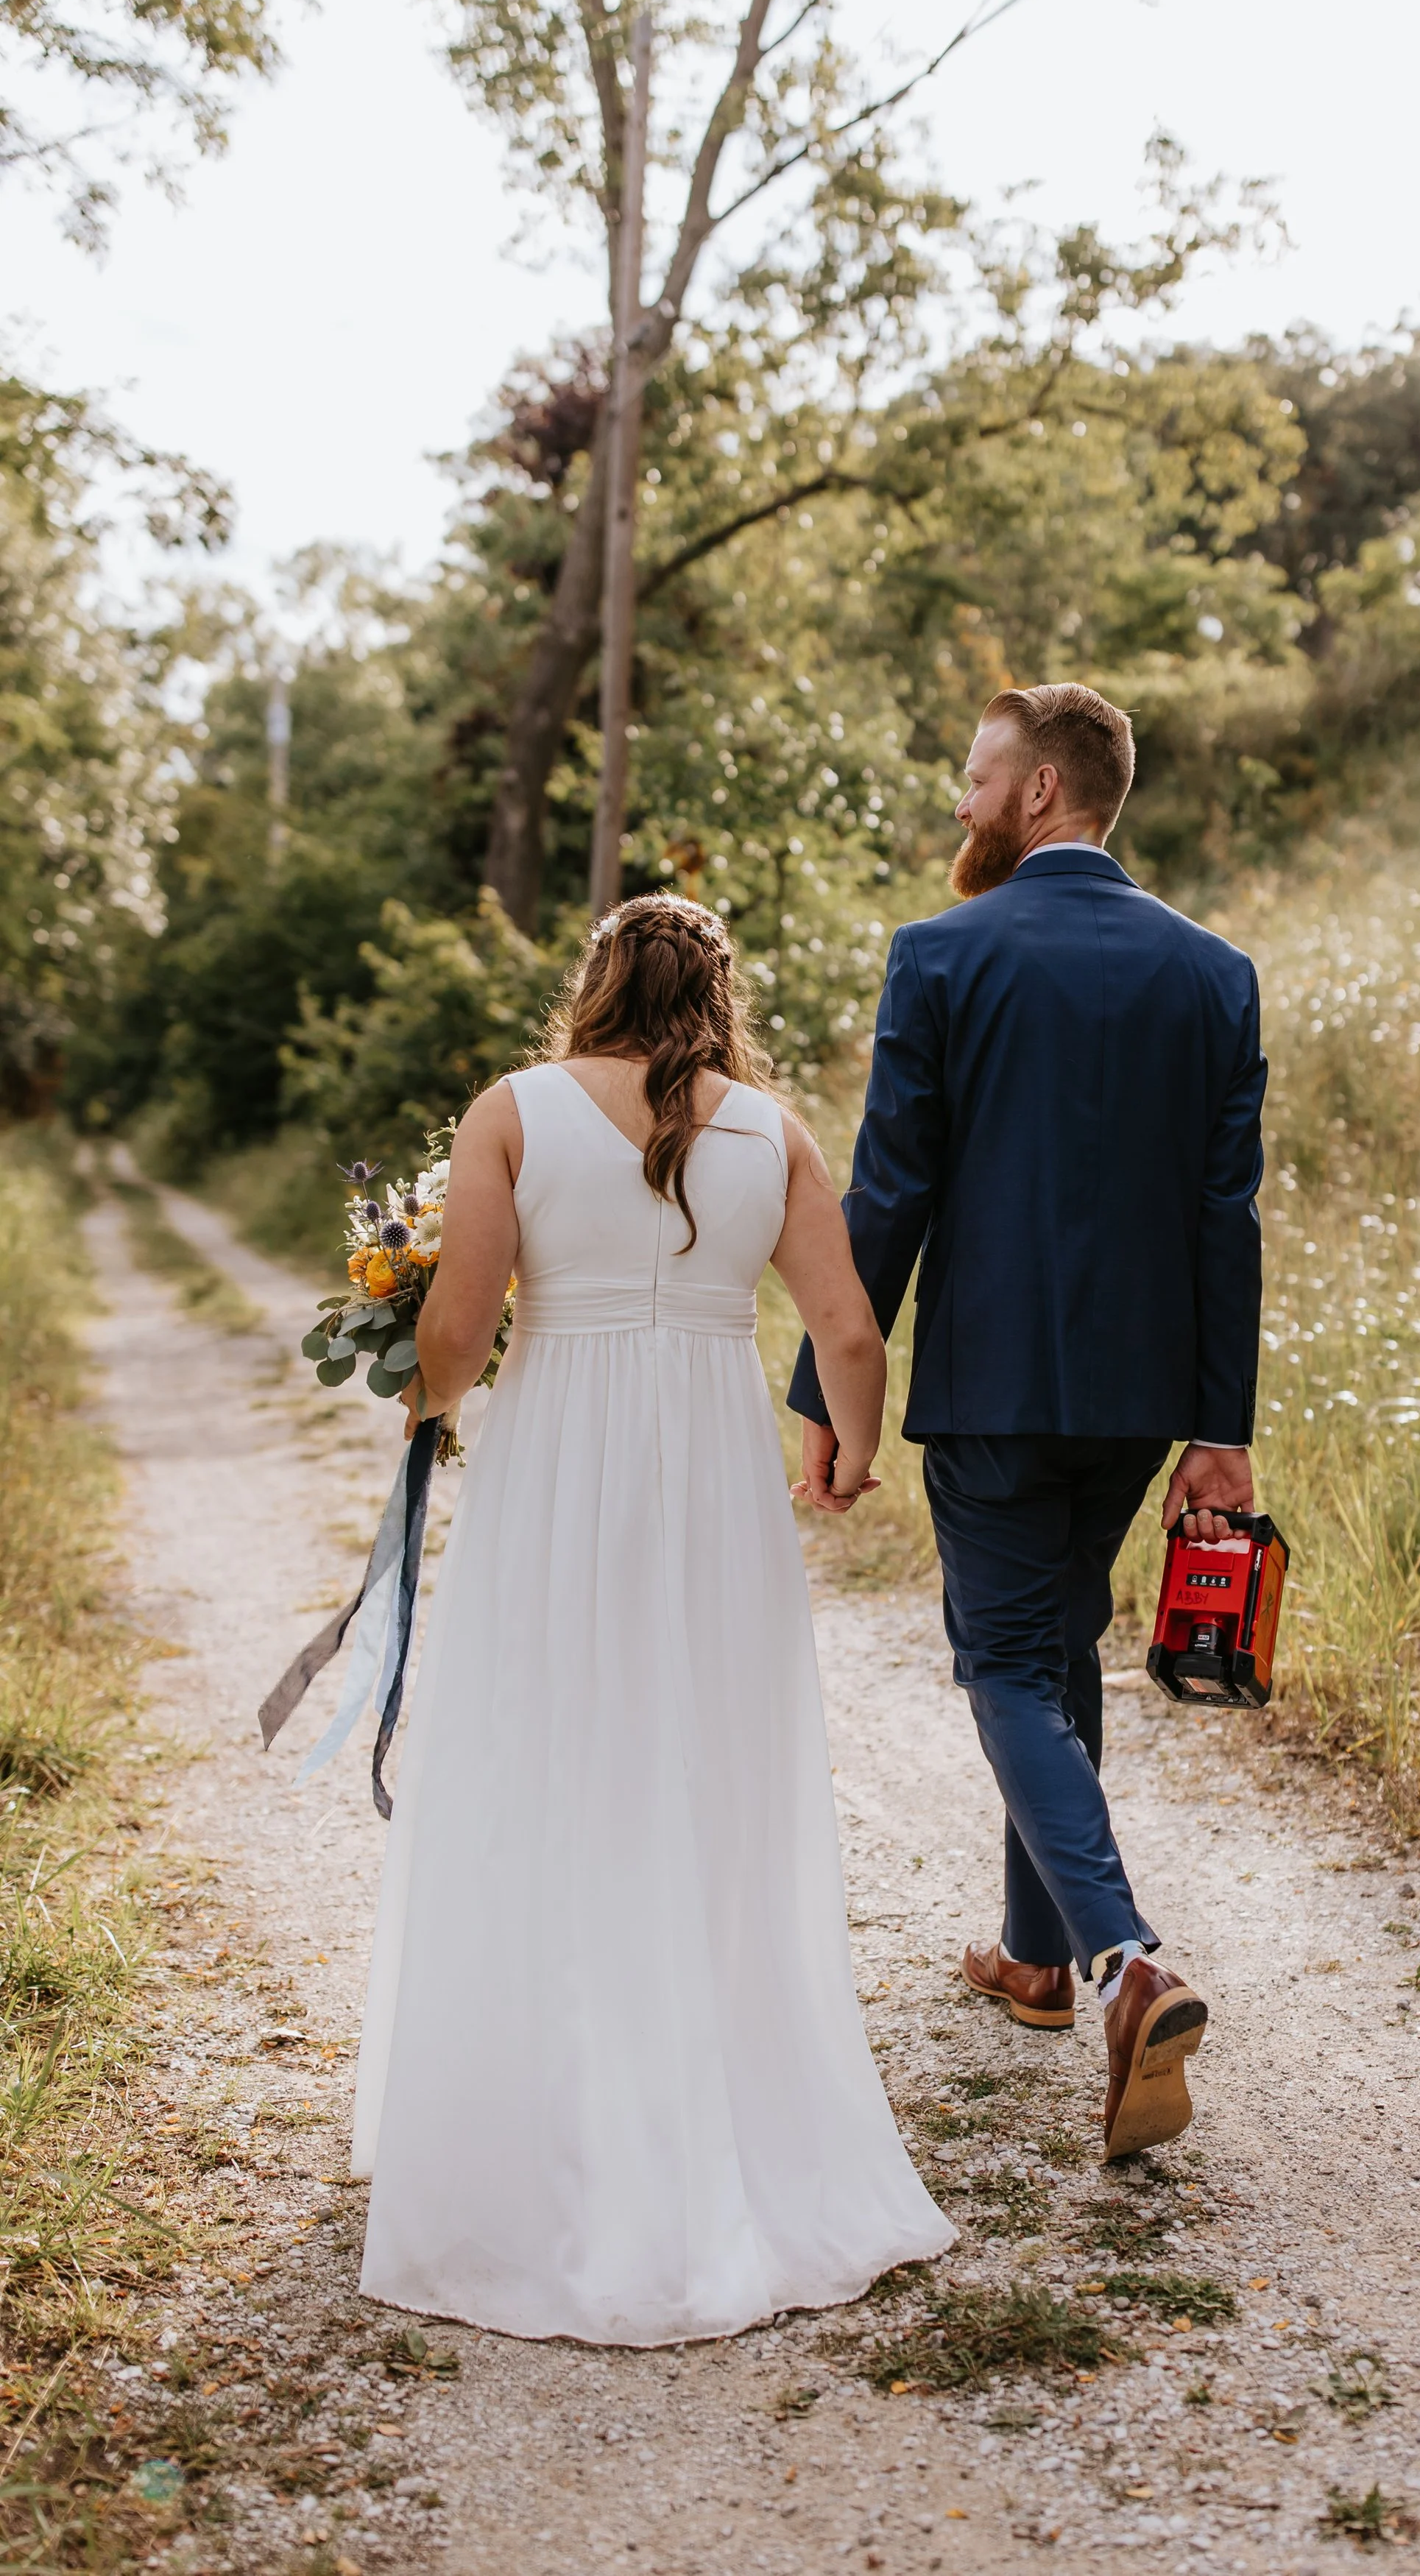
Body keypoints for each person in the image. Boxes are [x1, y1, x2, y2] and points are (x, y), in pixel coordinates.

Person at [352, 894, 952, 2345]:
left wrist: (424, 1410)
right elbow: (849, 1330)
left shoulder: (513, 1111)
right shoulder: (771, 1131)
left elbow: (457, 1328)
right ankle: (724, 2108)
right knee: (704, 1769)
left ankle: (539, 2119)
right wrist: (851, 1451)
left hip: (563, 1467)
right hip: (712, 1486)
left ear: (597, 982)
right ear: (718, 993)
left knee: (545, 1754)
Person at [789, 682, 1265, 2163]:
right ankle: (1034, 1958)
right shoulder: (1212, 972)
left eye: (976, 777)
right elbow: (1221, 1214)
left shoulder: (939, 955)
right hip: (1139, 1398)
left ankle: (1123, 1960)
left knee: (999, 1658)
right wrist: (1217, 1424)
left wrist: (824, 1394)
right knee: (1055, 1647)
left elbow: (891, 1190)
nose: (960, 800)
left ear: (1044, 791)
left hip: (994, 1384)